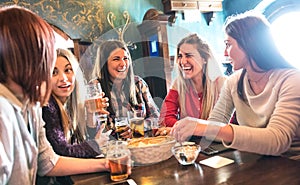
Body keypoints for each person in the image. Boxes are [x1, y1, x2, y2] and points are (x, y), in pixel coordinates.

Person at [0, 6, 130, 185]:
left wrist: (107, 164)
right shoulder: (3, 110)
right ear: (23, 55)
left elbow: (47, 162)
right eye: (45, 51)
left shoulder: (32, 104)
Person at [171, 11, 300, 158]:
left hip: (291, 164)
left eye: (228, 45)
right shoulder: (233, 82)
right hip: (255, 160)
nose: (225, 53)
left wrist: (203, 126)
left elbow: (277, 141)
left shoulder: (292, 80)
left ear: (248, 44)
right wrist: (196, 128)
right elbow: (214, 128)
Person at [42, 48, 110, 159]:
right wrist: (96, 145)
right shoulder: (48, 106)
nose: (63, 78)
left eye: (68, 70)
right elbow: (62, 151)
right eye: (54, 72)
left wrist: (91, 114)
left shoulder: (70, 102)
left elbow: (86, 139)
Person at [156, 34, 225, 136]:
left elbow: (227, 125)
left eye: (188, 55)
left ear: (204, 59)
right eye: (180, 56)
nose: (183, 61)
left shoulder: (221, 83)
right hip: (188, 147)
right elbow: (165, 118)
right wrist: (192, 130)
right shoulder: (178, 84)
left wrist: (191, 129)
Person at [91, 40, 160, 138]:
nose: (123, 64)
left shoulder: (138, 83)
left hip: (139, 145)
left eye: (125, 58)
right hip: (110, 148)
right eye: (116, 59)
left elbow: (156, 117)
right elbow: (91, 128)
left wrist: (135, 127)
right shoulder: (95, 88)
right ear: (104, 63)